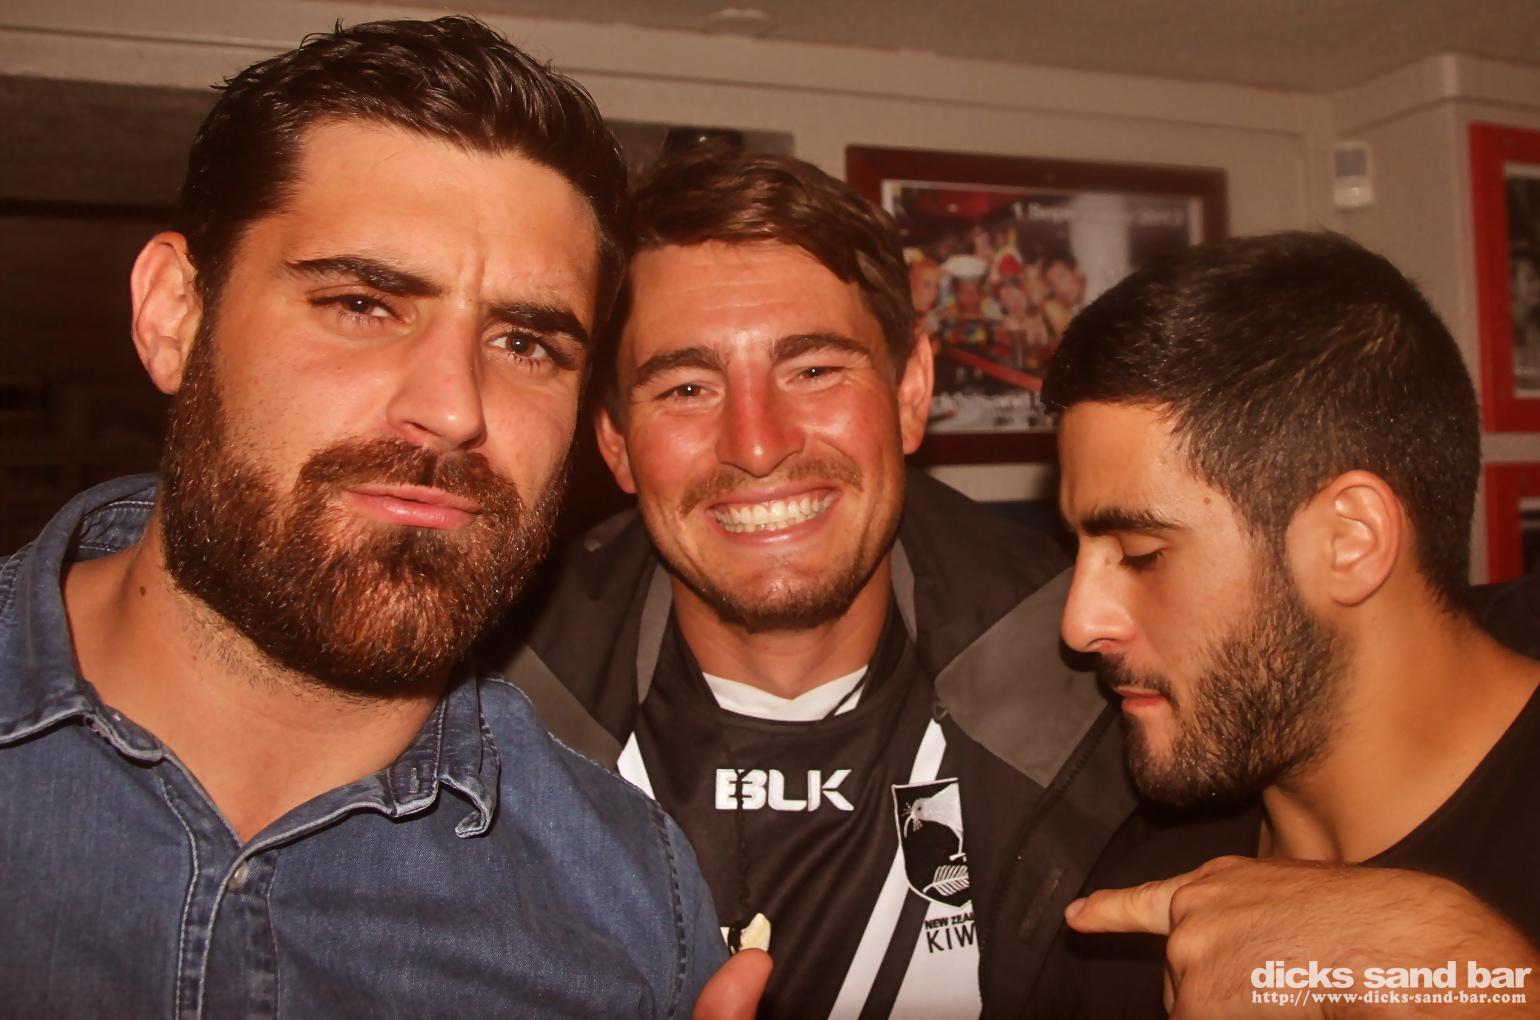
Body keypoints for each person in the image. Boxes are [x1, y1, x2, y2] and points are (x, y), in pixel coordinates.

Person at [0, 17, 732, 1016]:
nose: (454, 407)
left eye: (525, 343)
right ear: (175, 314)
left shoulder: (634, 908)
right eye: (361, 304)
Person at [490, 148, 1137, 1018]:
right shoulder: (471, 726)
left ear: (911, 393)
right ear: (614, 442)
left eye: (814, 371)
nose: (757, 444)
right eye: (686, 387)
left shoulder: (1121, 682)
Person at [1031, 231, 1540, 1017]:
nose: (1079, 625)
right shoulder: (1129, 898)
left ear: (1349, 540)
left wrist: (1486, 981)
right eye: (1082, 551)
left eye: (1140, 553)